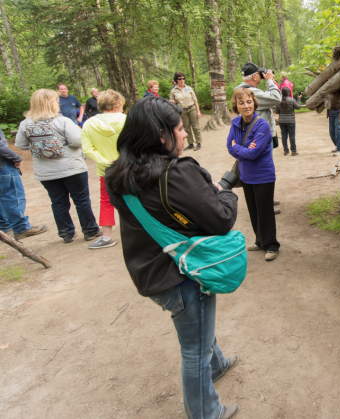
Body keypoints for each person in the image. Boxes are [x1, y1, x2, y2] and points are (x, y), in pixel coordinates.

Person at [106, 96, 240, 419]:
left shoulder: (118, 174)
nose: (184, 135)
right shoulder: (174, 174)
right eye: (179, 129)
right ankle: (206, 412)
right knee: (194, 349)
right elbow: (221, 218)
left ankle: (217, 363)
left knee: (199, 331)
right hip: (182, 274)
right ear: (160, 136)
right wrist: (224, 189)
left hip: (150, 271)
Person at [16, 89, 101, 243]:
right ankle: (90, 230)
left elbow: (21, 145)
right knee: (81, 200)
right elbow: (78, 141)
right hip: (71, 168)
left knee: (58, 202)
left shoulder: (26, 124)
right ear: (51, 103)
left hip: (46, 171)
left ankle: (66, 233)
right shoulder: (62, 121)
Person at [227, 87, 279, 261]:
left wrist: (237, 148)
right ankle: (259, 241)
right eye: (241, 103)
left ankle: (271, 245)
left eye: (249, 102)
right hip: (246, 176)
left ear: (254, 103)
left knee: (265, 212)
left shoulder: (262, 125)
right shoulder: (235, 123)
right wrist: (241, 149)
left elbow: (254, 153)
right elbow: (229, 147)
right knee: (253, 211)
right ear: (236, 105)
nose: (246, 106)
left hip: (263, 175)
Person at [81, 89, 127, 249]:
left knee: (106, 202)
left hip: (106, 170)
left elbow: (87, 149)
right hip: (128, 168)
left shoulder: (89, 124)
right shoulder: (126, 120)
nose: (122, 109)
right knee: (138, 198)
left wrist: (105, 161)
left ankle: (107, 237)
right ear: (115, 106)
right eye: (121, 106)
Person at [235, 63, 282, 211]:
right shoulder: (248, 93)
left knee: (260, 170)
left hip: (254, 136)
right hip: (258, 138)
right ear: (254, 76)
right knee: (262, 171)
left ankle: (266, 199)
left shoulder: (243, 90)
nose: (262, 77)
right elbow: (275, 98)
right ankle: (264, 205)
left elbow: (268, 99)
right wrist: (269, 81)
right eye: (260, 74)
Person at [0, 129, 47, 240]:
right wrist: (15, 157)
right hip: (3, 166)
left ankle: (5, 227)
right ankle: (20, 228)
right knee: (12, 196)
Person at [170, 72, 202, 151]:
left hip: (192, 108)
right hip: (182, 111)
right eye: (180, 79)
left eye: (183, 78)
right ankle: (190, 143)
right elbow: (172, 101)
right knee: (186, 127)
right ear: (176, 80)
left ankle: (198, 143)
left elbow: (195, 100)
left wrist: (198, 111)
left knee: (195, 126)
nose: (182, 80)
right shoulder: (173, 91)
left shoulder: (189, 88)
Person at [274, 87, 301, 156]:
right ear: (289, 93)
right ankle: (293, 151)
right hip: (291, 121)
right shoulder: (292, 100)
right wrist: (299, 98)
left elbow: (276, 111)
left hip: (282, 121)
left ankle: (286, 150)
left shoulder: (279, 101)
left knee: (284, 135)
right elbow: (298, 107)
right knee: (292, 135)